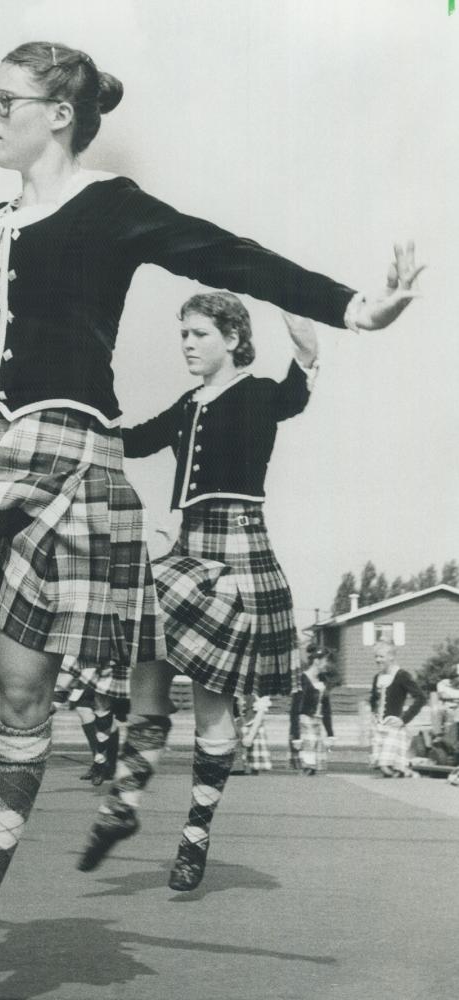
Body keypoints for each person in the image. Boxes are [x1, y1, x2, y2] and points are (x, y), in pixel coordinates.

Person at [0, 41, 421, 1000]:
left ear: (57, 112)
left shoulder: (111, 204)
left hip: (72, 461)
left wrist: (355, 306)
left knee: (20, 703)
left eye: (1, 100)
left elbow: (228, 253)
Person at [78, 296, 338, 888]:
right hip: (188, 552)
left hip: (237, 555)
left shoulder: (257, 393)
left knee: (213, 705)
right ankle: (123, 805)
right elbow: (131, 442)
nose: (188, 344)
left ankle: (194, 837)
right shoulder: (186, 405)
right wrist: (76, 421)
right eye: (184, 335)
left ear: (232, 337)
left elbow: (296, 395)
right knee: (145, 671)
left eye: (199, 334)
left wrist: (305, 344)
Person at [56, 657, 129, 784]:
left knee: (106, 715)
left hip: (111, 671)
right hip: (88, 669)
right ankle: (99, 762)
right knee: (83, 710)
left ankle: (109, 765)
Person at [369, 642, 425, 777]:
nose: (378, 660)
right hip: (379, 725)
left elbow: (421, 698)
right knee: (383, 767)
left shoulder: (401, 675)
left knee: (385, 765)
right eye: (376, 657)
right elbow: (373, 698)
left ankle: (407, 773)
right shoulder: (378, 677)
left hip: (393, 725)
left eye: (381, 657)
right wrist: (373, 713)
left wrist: (404, 719)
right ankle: (400, 775)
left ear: (391, 657)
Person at [289, 646, 335, 776]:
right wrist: (296, 736)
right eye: (325, 661)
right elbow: (295, 709)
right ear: (317, 661)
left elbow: (326, 708)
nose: (328, 664)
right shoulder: (303, 679)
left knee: (314, 766)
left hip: (317, 724)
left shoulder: (323, 680)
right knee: (308, 765)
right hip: (305, 723)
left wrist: (330, 733)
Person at [237, 694, 273, 776]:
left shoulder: (258, 690)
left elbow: (260, 714)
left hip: (253, 728)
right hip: (237, 727)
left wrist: (250, 735)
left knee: (252, 769)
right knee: (236, 769)